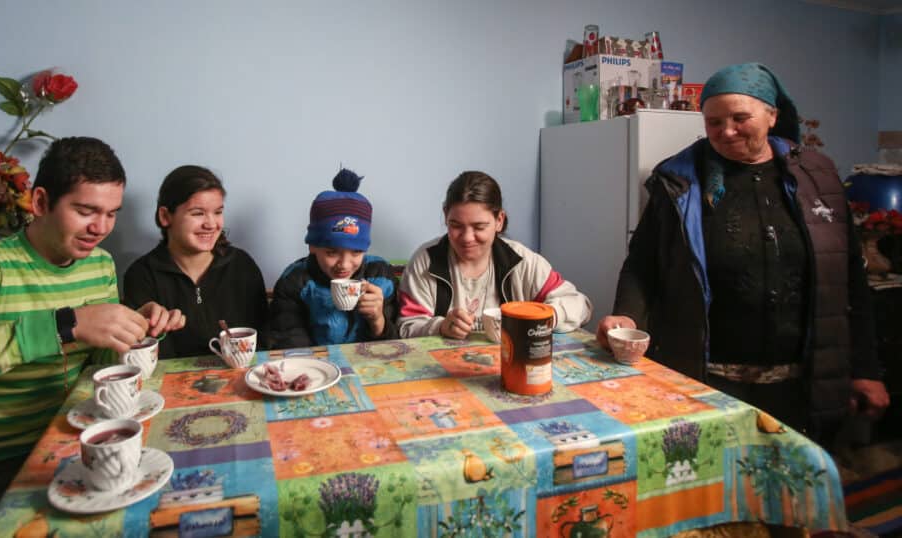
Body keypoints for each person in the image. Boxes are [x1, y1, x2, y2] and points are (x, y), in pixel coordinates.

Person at [0, 137, 186, 531]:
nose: (100, 228)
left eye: (111, 213)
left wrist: (133, 332)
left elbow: (96, 365)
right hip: (0, 462)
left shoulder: (98, 264)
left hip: (78, 439)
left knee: (177, 505)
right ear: (41, 202)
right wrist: (66, 324)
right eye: (85, 211)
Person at [595, 63, 889, 440]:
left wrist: (866, 369)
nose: (726, 131)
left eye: (739, 118)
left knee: (795, 487)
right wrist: (626, 316)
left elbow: (849, 277)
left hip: (804, 381)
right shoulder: (680, 180)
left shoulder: (819, 177)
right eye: (713, 121)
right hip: (705, 378)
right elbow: (642, 264)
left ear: (772, 115)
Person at [399, 171, 591, 339]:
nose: (467, 238)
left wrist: (544, 316)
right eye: (455, 225)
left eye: (479, 227)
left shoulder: (522, 262)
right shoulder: (425, 262)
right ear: (445, 216)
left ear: (499, 220)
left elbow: (580, 305)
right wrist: (440, 327)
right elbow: (406, 326)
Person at [123, 165, 269, 359]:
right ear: (165, 216)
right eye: (198, 213)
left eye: (217, 212)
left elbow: (264, 340)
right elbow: (142, 352)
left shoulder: (242, 266)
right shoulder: (141, 275)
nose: (211, 224)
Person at [270, 168, 398, 348]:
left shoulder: (381, 276)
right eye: (332, 252)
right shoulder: (294, 281)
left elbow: (397, 348)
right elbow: (290, 342)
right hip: (316, 370)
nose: (344, 265)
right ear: (312, 246)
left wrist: (378, 321)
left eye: (356, 252)